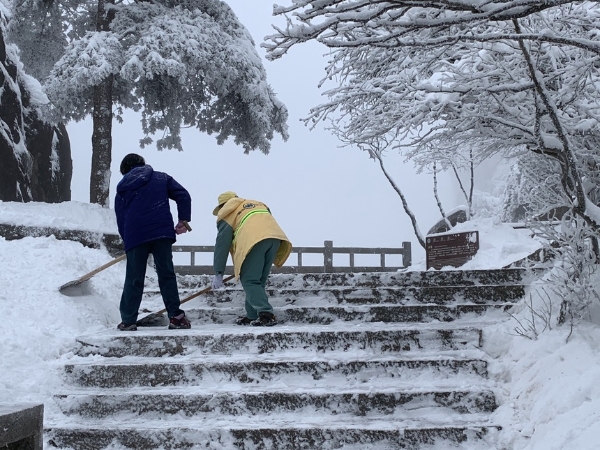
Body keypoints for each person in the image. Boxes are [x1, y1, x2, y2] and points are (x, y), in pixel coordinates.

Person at [114, 153, 192, 331]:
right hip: (161, 232)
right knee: (166, 274)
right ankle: (176, 317)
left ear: (125, 170)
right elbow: (183, 195)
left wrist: (129, 241)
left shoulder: (123, 187)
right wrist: (183, 219)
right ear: (143, 163)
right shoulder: (161, 178)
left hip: (135, 233)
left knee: (134, 277)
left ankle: (128, 320)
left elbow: (121, 218)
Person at [211, 191, 292, 326]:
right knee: (258, 281)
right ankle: (252, 314)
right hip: (275, 238)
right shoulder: (255, 204)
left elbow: (222, 244)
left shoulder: (227, 212)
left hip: (254, 240)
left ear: (222, 206)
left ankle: (266, 314)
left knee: (249, 280)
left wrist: (218, 272)